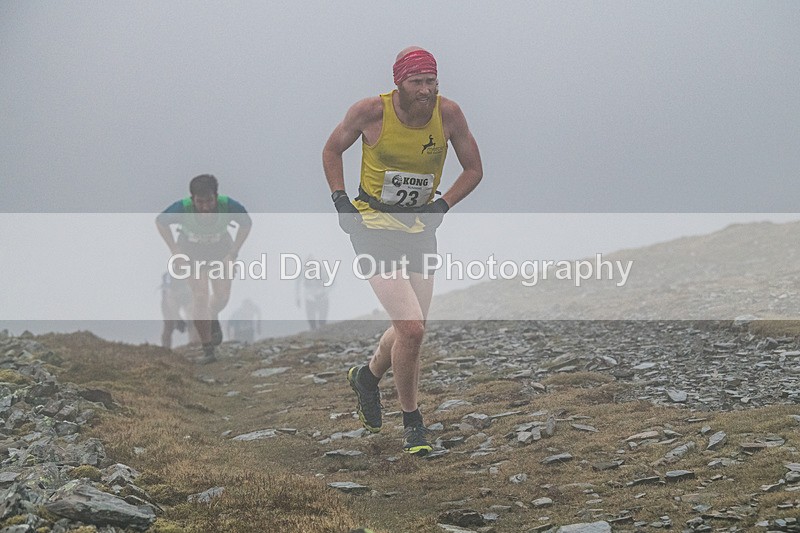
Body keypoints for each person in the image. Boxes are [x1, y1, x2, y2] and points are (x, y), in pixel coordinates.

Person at [322, 46, 482, 455]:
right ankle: (413, 421)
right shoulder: (370, 112)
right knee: (411, 328)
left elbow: (474, 169)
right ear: (400, 83)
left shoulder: (449, 115)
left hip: (418, 231)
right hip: (372, 228)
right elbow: (332, 150)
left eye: (432, 81)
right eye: (418, 82)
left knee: (411, 329)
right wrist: (341, 200)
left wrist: (443, 203)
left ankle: (367, 377)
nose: (426, 90)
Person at [156, 174, 252, 363]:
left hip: (220, 252)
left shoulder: (228, 205)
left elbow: (246, 223)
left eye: (209, 201)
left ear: (216, 196)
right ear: (193, 199)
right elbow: (160, 221)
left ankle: (212, 314)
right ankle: (208, 349)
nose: (206, 207)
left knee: (222, 297)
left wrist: (233, 253)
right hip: (191, 253)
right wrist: (175, 251)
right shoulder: (183, 208)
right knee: (200, 295)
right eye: (200, 202)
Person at [159, 271, 199, 349]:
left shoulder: (193, 276)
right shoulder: (168, 279)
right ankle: (165, 349)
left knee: (194, 320)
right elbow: (169, 301)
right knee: (169, 324)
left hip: (188, 295)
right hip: (170, 297)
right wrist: (177, 319)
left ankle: (195, 344)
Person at [295, 255, 330, 331]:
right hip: (310, 297)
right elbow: (297, 284)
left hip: (321, 296)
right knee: (312, 321)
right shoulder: (303, 271)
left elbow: (330, 281)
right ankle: (315, 332)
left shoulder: (322, 270)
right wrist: (298, 298)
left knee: (322, 320)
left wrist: (326, 291)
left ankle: (321, 332)